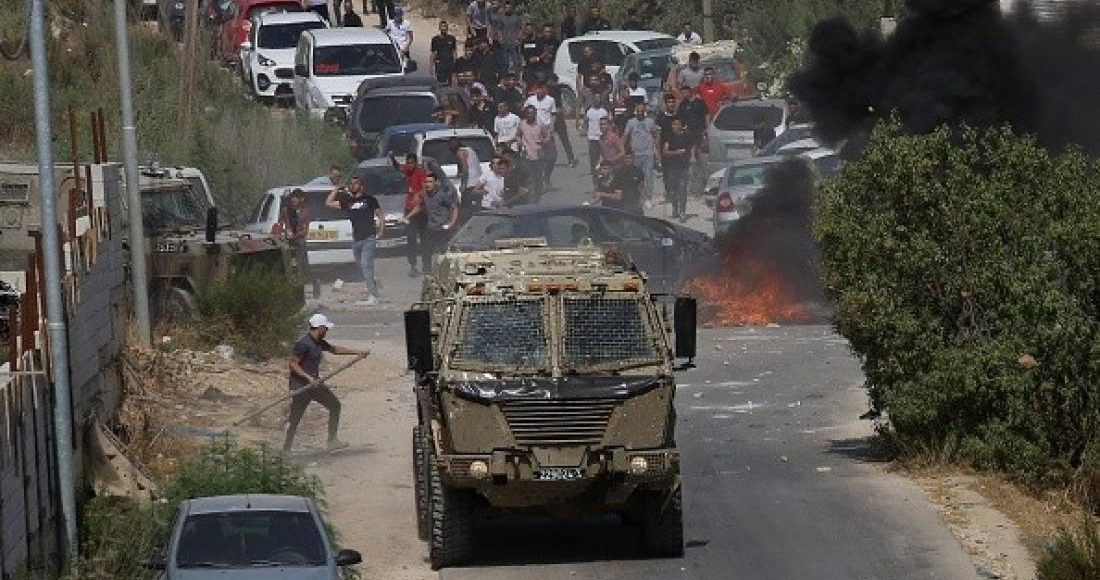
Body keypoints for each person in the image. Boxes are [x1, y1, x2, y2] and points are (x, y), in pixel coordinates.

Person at [283, 313, 369, 453]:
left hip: (315, 385)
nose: (327, 331)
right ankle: (286, 450)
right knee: (295, 419)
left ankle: (332, 441)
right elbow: (293, 364)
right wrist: (308, 378)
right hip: (301, 387)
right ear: (319, 328)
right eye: (326, 328)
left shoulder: (318, 342)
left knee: (335, 406)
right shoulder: (303, 344)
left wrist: (358, 352)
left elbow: (335, 349)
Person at [325, 175, 383, 305]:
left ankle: (373, 296)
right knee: (362, 267)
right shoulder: (348, 202)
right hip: (356, 240)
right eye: (351, 184)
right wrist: (336, 189)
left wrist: (381, 230)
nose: (352, 186)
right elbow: (328, 203)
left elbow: (380, 214)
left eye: (355, 183)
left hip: (369, 238)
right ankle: (373, 285)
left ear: (361, 186)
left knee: (366, 265)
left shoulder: (369, 200)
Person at [277, 189, 320, 298]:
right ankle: (294, 291)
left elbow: (305, 231)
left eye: (296, 197)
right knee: (289, 267)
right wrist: (283, 232)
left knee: (302, 267)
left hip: (300, 243)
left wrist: (294, 236)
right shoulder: (286, 210)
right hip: (287, 243)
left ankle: (314, 283)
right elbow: (280, 224)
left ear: (301, 199)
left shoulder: (305, 212)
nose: (294, 200)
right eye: (293, 197)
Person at [391, 152, 427, 276]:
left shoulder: (420, 173)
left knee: (424, 238)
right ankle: (413, 265)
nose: (410, 165)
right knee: (411, 238)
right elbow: (397, 167)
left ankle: (426, 265)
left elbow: (425, 188)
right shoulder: (407, 171)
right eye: (408, 163)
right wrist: (392, 157)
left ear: (416, 163)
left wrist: (418, 194)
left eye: (412, 163)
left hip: (421, 209)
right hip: (409, 208)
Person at [623, 102, 658, 203]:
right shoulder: (631, 122)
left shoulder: (650, 121)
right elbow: (626, 135)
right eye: (638, 111)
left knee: (648, 176)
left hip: (648, 153)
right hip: (635, 154)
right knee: (636, 176)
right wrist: (622, 149)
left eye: (642, 111)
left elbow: (655, 136)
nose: (640, 113)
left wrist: (656, 150)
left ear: (645, 111)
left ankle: (648, 198)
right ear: (635, 111)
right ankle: (637, 196)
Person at [420, 172, 459, 262]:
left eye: (430, 182)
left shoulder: (442, 195)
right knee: (426, 252)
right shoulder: (425, 196)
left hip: (442, 229)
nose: (428, 184)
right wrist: (408, 216)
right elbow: (420, 207)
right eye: (426, 182)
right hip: (431, 228)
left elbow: (454, 208)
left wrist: (451, 223)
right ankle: (427, 269)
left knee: (444, 252)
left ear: (435, 183)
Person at [517, 105, 551, 200]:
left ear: (535, 114)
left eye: (532, 113)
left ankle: (537, 195)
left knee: (538, 177)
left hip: (538, 155)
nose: (530, 115)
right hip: (526, 155)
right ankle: (530, 196)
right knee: (528, 177)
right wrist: (520, 142)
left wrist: (543, 142)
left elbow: (547, 137)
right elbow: (517, 135)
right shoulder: (522, 124)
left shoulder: (540, 124)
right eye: (528, 113)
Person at [661, 117, 692, 221]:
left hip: (683, 167)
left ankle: (682, 211)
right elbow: (665, 152)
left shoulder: (687, 136)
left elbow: (690, 149)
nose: (673, 126)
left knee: (682, 190)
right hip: (671, 167)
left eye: (676, 124)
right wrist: (676, 153)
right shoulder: (669, 136)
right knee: (673, 190)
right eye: (673, 124)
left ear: (681, 126)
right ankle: (675, 208)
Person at [547, 74, 578, 169]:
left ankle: (571, 158)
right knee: (550, 140)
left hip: (558, 118)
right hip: (550, 118)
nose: (552, 83)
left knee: (564, 139)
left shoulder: (556, 91)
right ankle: (548, 159)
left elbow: (559, 106)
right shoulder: (548, 91)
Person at [582, 95, 610, 186]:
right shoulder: (589, 111)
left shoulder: (604, 111)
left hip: (602, 139)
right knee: (594, 162)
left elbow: (608, 124)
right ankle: (596, 183)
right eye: (596, 98)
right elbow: (585, 123)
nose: (597, 100)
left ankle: (605, 181)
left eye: (599, 98)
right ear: (593, 99)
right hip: (592, 139)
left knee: (605, 161)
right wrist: (586, 131)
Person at [676, 84, 708, 158]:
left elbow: (706, 114)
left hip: (700, 129)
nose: (683, 94)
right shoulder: (682, 104)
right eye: (682, 93)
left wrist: (707, 127)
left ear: (690, 92)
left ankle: (699, 161)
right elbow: (679, 118)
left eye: (685, 92)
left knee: (699, 148)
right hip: (688, 130)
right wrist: (683, 128)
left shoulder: (700, 102)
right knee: (689, 148)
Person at [493, 1, 523, 74]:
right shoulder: (501, 18)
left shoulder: (517, 18)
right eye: (506, 7)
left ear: (512, 8)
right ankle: (505, 75)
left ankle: (516, 75)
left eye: (509, 7)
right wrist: (500, 38)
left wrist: (518, 39)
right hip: (504, 42)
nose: (508, 9)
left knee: (515, 60)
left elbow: (520, 29)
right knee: (505, 60)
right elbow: (499, 29)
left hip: (514, 42)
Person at [430, 21, 458, 85]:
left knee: (450, 83)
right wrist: (431, 66)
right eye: (442, 26)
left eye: (445, 26)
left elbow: (454, 52)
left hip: (449, 64)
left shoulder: (452, 38)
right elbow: (433, 53)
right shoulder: (435, 39)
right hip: (440, 64)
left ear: (447, 28)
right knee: (441, 83)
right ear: (439, 28)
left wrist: (456, 64)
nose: (443, 28)